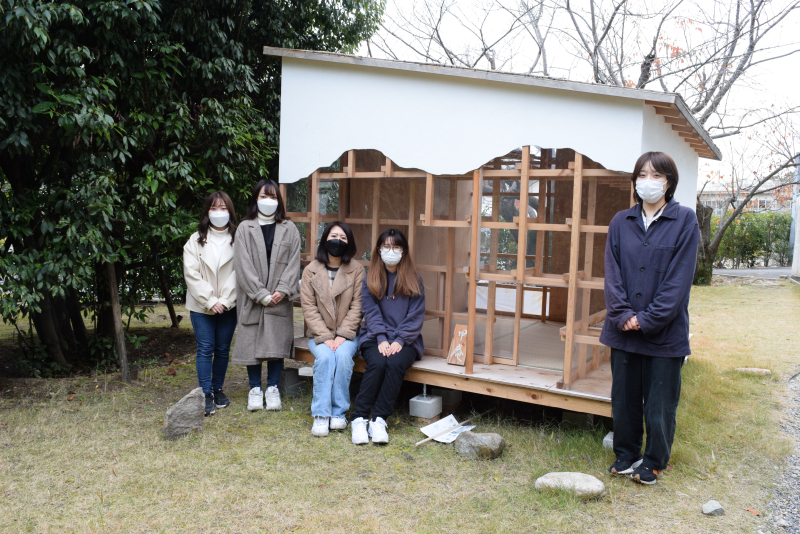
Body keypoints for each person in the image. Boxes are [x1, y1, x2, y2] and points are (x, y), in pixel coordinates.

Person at [600, 151, 699, 485]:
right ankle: (626, 454)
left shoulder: (684, 220)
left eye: (656, 175)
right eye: (642, 175)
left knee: (660, 402)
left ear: (668, 182)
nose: (648, 181)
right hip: (623, 329)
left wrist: (649, 319)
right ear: (635, 181)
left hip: (664, 332)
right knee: (624, 398)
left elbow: (679, 278)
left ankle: (654, 461)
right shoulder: (620, 222)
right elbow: (611, 273)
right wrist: (623, 313)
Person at [230, 179, 301, 412]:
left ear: (278, 201)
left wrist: (281, 291)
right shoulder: (244, 228)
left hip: (279, 298)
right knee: (252, 343)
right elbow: (242, 265)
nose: (267, 201)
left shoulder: (289, 229)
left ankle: (272, 388)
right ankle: (254, 388)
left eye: (272, 197)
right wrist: (260, 294)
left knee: (276, 342)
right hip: (253, 298)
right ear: (255, 199)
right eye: (263, 196)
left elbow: (293, 263)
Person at [350, 229, 425, 445]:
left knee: (395, 363)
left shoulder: (414, 279)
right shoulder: (370, 279)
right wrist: (382, 338)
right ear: (379, 249)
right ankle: (359, 417)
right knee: (378, 362)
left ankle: (379, 418)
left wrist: (400, 340)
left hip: (407, 339)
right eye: (386, 247)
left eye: (396, 247)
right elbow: (370, 312)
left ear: (404, 251)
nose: (391, 251)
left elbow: (415, 315)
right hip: (375, 335)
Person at [300, 222, 365, 437]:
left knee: (344, 358)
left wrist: (343, 335)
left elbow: (358, 306)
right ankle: (321, 414)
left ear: (349, 242)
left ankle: (339, 413)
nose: (338, 240)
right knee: (326, 358)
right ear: (325, 238)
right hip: (319, 334)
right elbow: (308, 307)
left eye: (343, 237)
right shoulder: (311, 270)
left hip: (347, 335)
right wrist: (326, 336)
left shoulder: (357, 270)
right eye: (334, 235)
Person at [183, 191, 238, 416]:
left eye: (223, 208)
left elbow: (240, 271)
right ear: (207, 212)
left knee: (223, 349)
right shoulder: (195, 240)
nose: (219, 213)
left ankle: (218, 388)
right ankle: (206, 393)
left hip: (229, 305)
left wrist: (224, 300)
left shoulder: (239, 239)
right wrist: (211, 300)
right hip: (201, 305)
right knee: (205, 348)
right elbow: (191, 274)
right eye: (214, 208)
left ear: (230, 212)